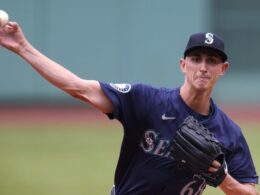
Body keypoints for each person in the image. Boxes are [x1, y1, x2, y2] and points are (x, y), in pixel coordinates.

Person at [0, 22, 259, 195]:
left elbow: (250, 191)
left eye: (212, 61)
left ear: (223, 69)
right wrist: (23, 47)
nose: (203, 66)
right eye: (196, 59)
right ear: (183, 64)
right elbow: (78, 87)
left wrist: (224, 178)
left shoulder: (229, 133)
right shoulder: (146, 99)